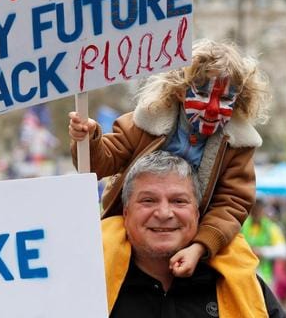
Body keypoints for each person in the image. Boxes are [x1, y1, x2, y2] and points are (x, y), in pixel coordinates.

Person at [73, 41, 269, 303]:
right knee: (101, 249)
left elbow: (232, 203)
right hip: (130, 223)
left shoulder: (237, 145)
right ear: (179, 92)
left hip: (202, 229)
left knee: (240, 268)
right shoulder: (145, 121)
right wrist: (89, 138)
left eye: (224, 98)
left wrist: (201, 246)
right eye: (201, 94)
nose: (212, 108)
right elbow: (98, 164)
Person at [103, 152, 285, 318]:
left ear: (197, 214)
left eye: (178, 201)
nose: (164, 213)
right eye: (148, 200)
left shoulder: (238, 282)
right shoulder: (93, 283)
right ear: (125, 213)